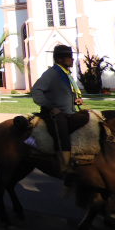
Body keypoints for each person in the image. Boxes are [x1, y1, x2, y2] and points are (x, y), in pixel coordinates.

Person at [31, 44, 83, 184]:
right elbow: (36, 91)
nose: (72, 59)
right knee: (62, 133)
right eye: (69, 57)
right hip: (54, 114)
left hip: (69, 112)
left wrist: (76, 99)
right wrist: (50, 107)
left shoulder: (66, 74)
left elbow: (66, 92)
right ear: (60, 59)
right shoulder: (51, 73)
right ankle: (65, 168)